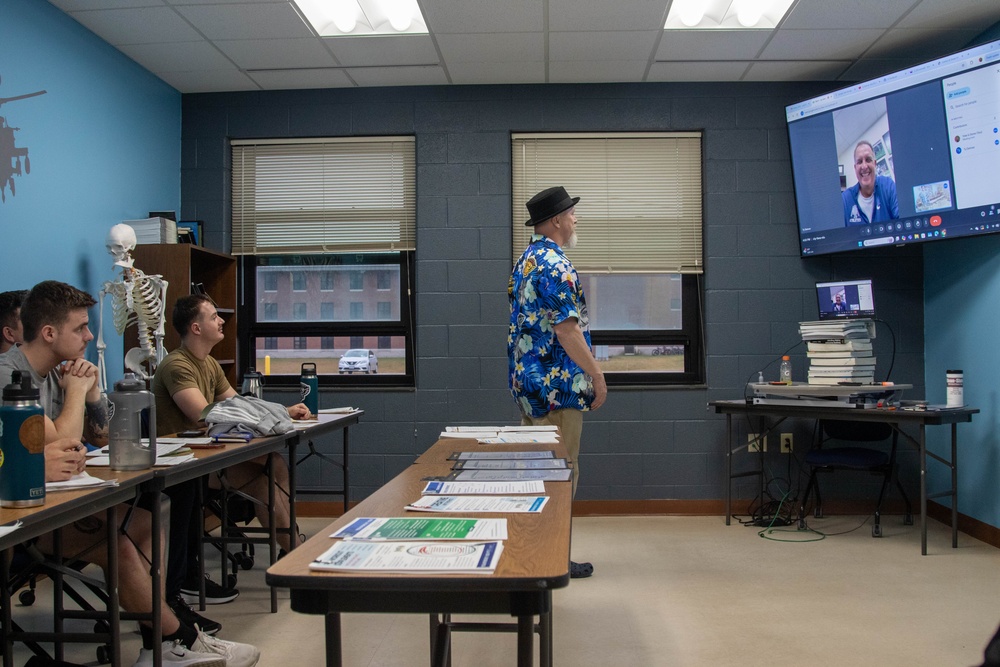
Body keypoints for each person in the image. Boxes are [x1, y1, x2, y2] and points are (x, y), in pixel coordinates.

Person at [0, 280, 260, 667]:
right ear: (50, 333)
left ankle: (157, 644)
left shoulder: (61, 370)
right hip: (18, 521)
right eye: (80, 328)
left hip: (51, 503)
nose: (89, 336)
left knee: (144, 519)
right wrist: (76, 393)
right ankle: (175, 638)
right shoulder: (11, 375)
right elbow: (70, 444)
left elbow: (102, 437)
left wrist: (90, 397)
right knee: (117, 539)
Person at [151, 295, 308, 613]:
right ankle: (299, 561)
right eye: (213, 317)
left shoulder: (209, 363)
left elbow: (240, 405)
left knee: (274, 462)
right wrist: (265, 416)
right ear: (196, 327)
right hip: (183, 465)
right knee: (265, 483)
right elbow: (203, 414)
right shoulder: (176, 365)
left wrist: (283, 411)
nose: (221, 321)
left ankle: (293, 550)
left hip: (210, 457)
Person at [508, 186, 607, 580]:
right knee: (560, 472)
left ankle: (534, 550)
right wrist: (597, 376)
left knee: (534, 472)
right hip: (557, 389)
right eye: (570, 213)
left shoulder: (526, 261)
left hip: (530, 388)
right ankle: (550, 560)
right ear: (555, 222)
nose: (575, 218)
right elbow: (567, 331)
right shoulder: (555, 264)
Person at [842, 140, 899, 226]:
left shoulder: (888, 186)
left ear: (875, 164)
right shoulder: (845, 199)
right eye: (859, 161)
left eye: (868, 160)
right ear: (855, 167)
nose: (864, 166)